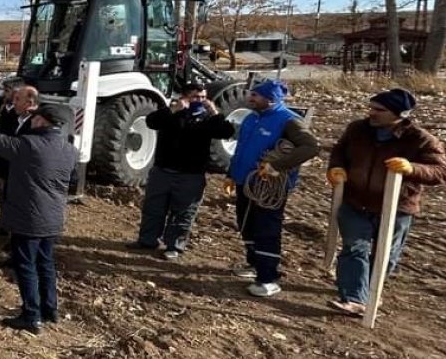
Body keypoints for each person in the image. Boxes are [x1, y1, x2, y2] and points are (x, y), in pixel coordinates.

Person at [326, 88, 446, 316]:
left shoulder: (420, 139)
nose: (371, 113)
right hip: (356, 201)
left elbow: (441, 171)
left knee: (386, 254)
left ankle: (371, 291)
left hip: (395, 207)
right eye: (371, 107)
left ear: (399, 114)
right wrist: (336, 167)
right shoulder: (357, 129)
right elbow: (339, 151)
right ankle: (354, 298)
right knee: (354, 247)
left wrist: (412, 168)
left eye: (379, 110)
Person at [0, 104, 78, 335]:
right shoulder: (69, 150)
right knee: (46, 263)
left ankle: (31, 316)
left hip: (29, 219)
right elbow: (72, 181)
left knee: (25, 265)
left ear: (41, 121)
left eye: (34, 118)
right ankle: (50, 309)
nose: (31, 121)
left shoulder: (28, 145)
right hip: (53, 218)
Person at [224, 80, 319, 297]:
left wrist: (276, 165)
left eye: (256, 96)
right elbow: (241, 149)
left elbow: (311, 147)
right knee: (246, 224)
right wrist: (231, 174)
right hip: (245, 182)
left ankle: (268, 278)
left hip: (268, 186)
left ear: (270, 99)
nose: (251, 99)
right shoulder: (251, 118)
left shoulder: (289, 121)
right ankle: (254, 264)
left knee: (266, 229)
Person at [131, 83, 235, 259]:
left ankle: (174, 246)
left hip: (191, 175)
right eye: (196, 97)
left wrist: (215, 113)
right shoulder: (171, 114)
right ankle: (147, 240)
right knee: (153, 208)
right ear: (184, 97)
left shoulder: (207, 119)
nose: (200, 101)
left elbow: (226, 132)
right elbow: (151, 122)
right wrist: (173, 111)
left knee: (184, 212)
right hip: (163, 171)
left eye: (203, 98)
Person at [0, 82, 39, 240]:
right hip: (2, 162)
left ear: (29, 103)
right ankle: (4, 225)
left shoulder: (33, 122)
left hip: (16, 171)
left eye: (17, 98)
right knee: (4, 197)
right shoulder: (11, 112)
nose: (13, 101)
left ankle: (14, 234)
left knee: (15, 203)